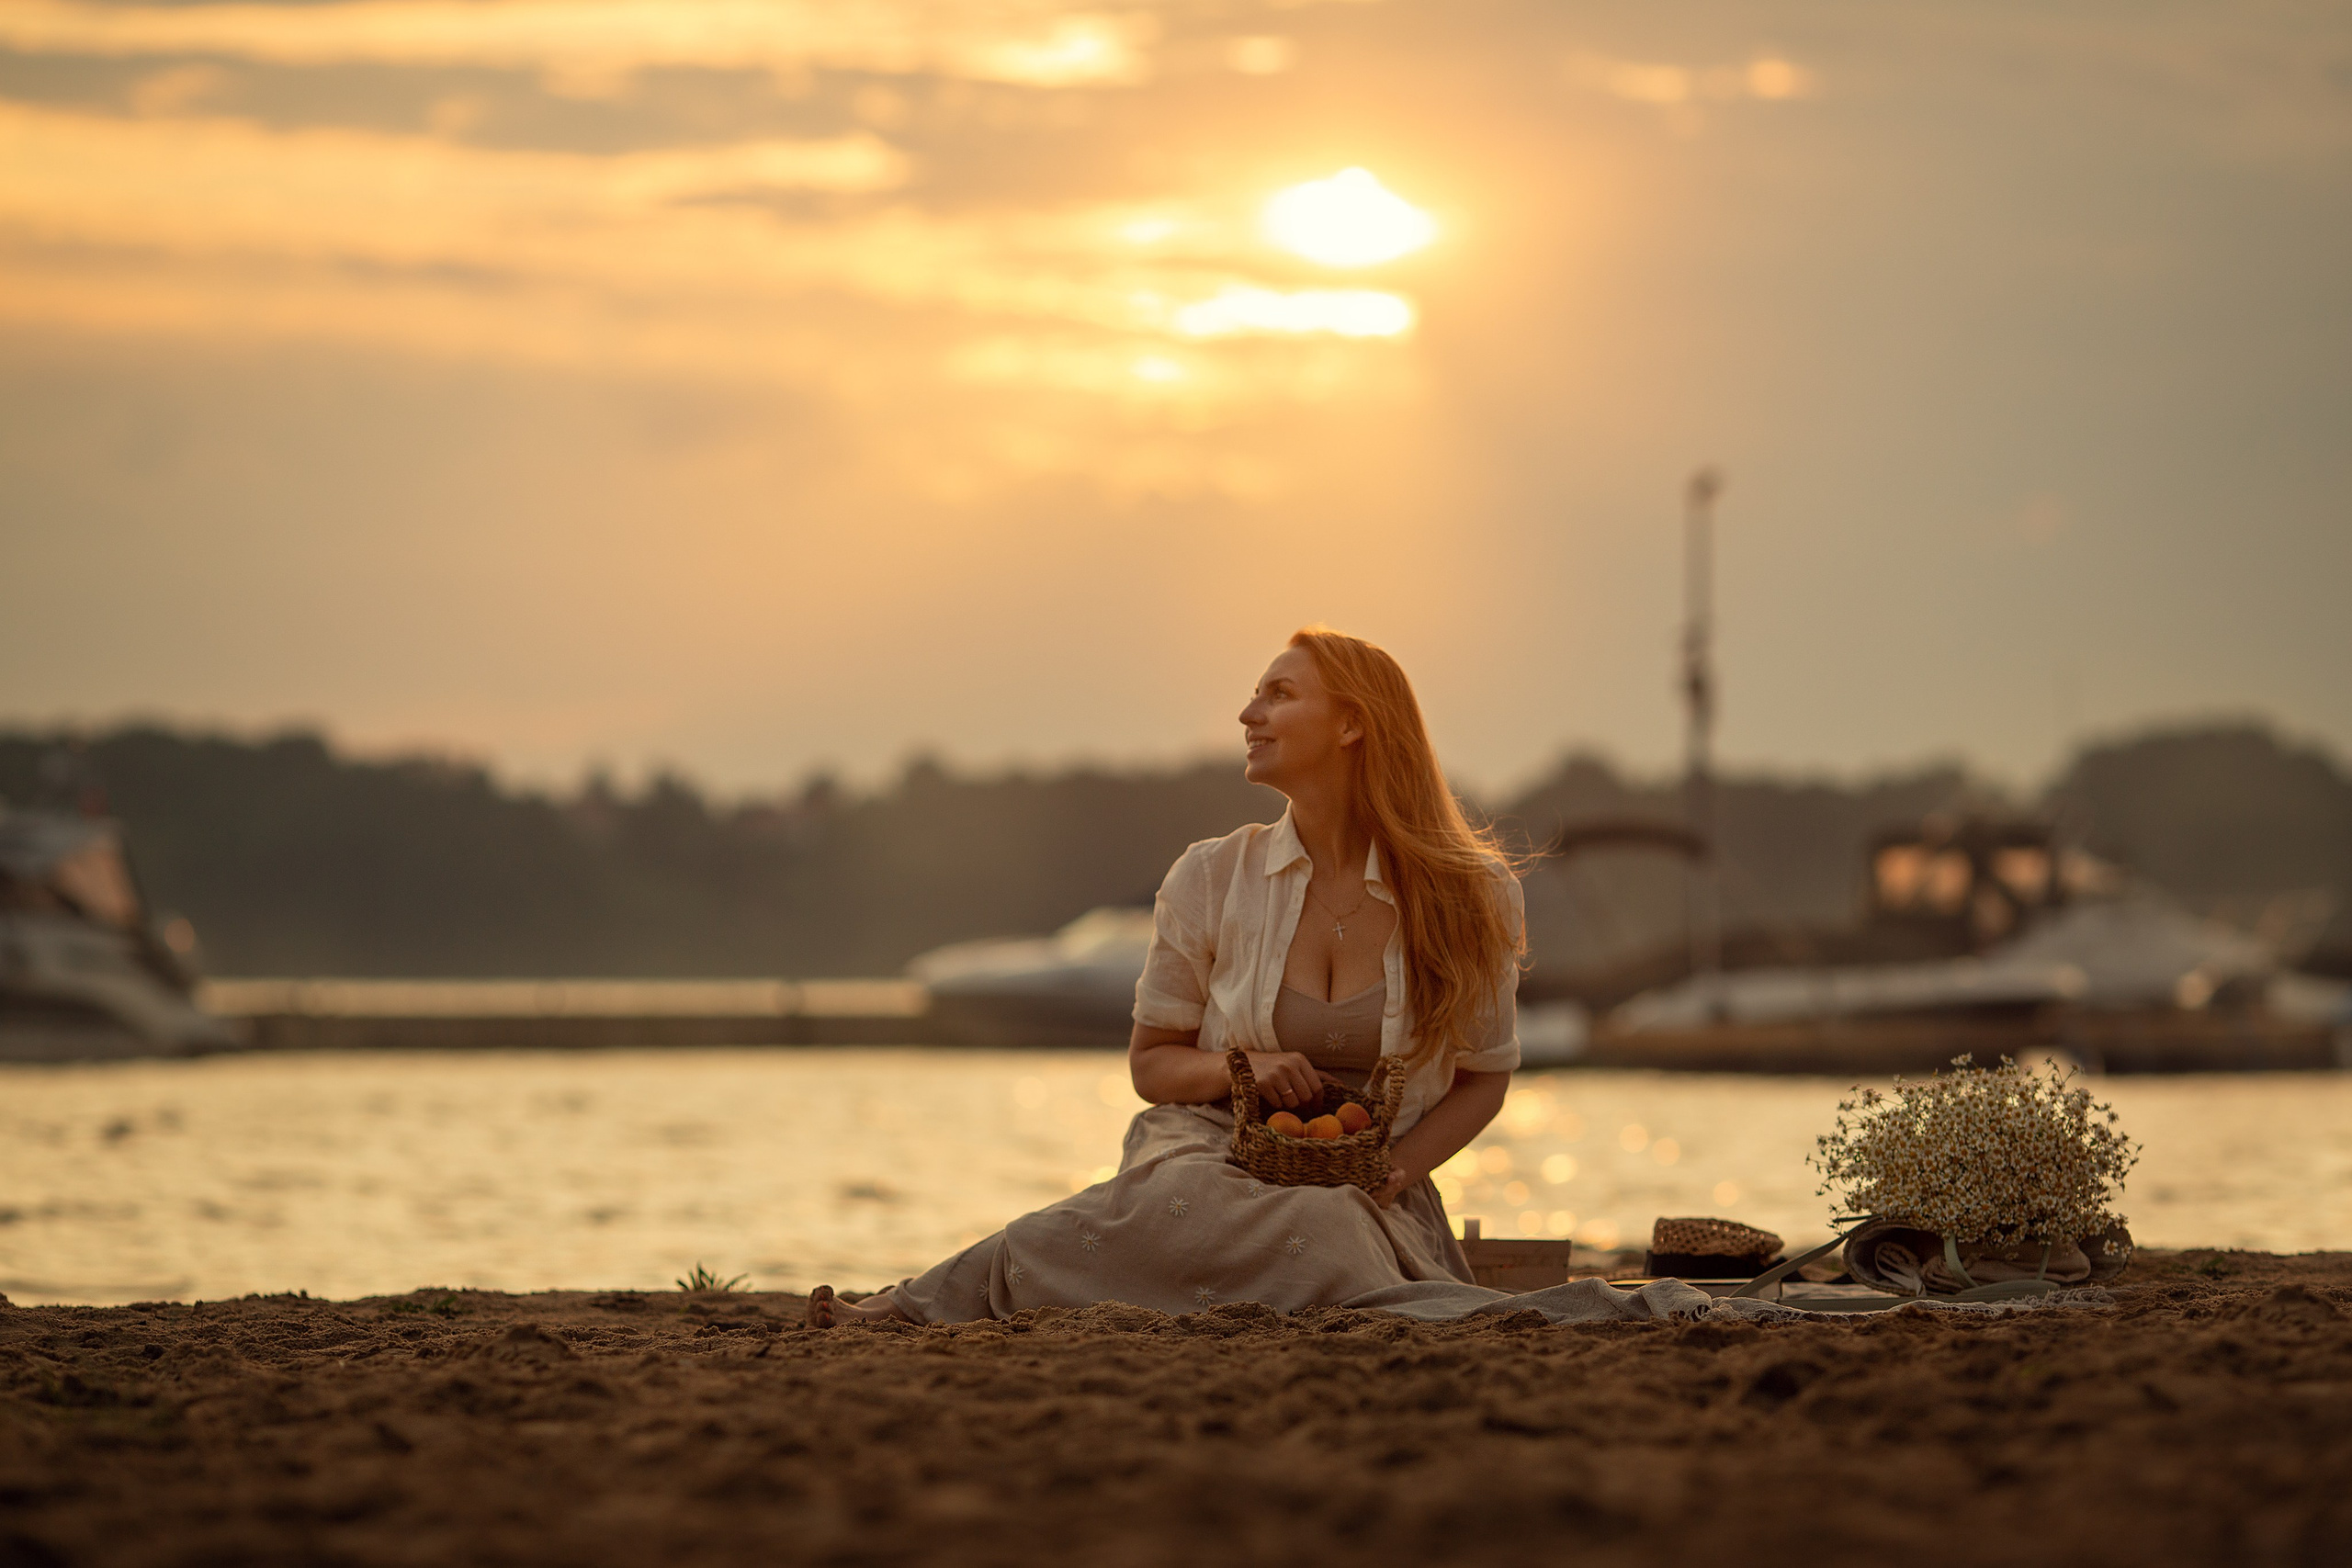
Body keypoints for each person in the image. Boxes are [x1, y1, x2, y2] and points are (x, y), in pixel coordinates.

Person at [806, 626, 1543, 1326]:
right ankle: (914, 1306)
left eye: (1279, 694)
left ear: (1352, 724)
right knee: (1178, 1194)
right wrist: (1240, 1066)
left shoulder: (1470, 892)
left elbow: (1483, 1077)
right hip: (1207, 1146)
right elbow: (1151, 1062)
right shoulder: (1212, 875)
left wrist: (1391, 1172)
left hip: (1368, 1184)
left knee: (1330, 1224)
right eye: (1255, 694)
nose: (1249, 713)